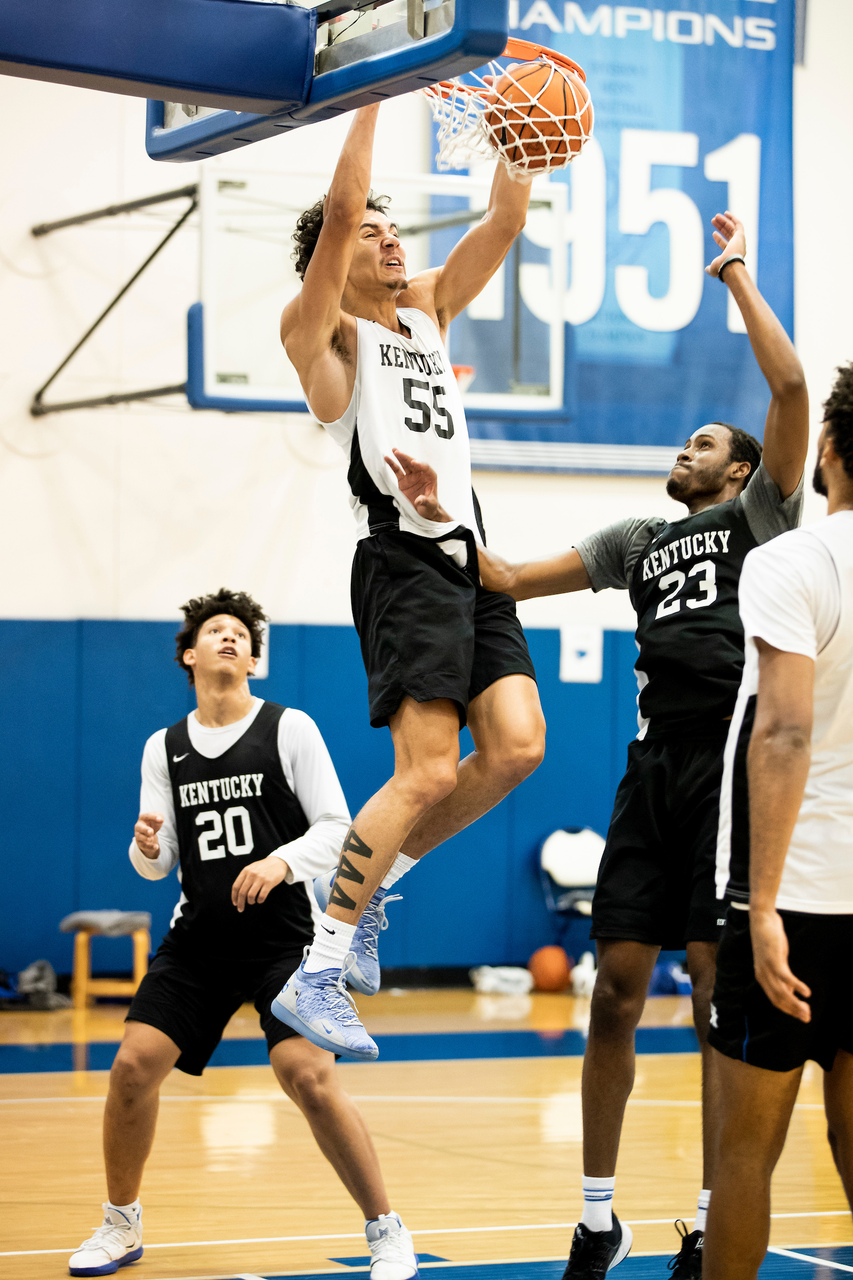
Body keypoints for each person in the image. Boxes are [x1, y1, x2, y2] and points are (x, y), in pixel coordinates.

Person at [474, 214, 809, 1277]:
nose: (683, 449)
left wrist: (735, 275)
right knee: (615, 984)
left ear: (742, 467)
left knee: (710, 987)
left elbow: (791, 388)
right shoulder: (635, 540)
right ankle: (595, 1216)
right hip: (651, 765)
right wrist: (433, 504)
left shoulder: (763, 515)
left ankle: (710, 1217)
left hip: (729, 763)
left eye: (702, 441)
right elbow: (507, 579)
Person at [272, 103, 546, 1062]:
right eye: (372, 234)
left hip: (469, 552)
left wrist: (526, 136)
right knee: (425, 770)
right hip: (401, 557)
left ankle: (375, 882)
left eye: (397, 231)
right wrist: (374, 91)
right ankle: (317, 968)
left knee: (515, 748)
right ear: (334, 256)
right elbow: (343, 209)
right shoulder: (322, 334)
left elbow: (504, 219)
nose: (390, 240)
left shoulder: (425, 309)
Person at [68, 589, 418, 1280]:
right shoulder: (163, 747)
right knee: (132, 1067)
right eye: (215, 631)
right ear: (188, 655)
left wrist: (280, 861)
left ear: (254, 658)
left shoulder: (289, 728)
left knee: (307, 1075)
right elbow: (157, 865)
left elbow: (339, 830)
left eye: (241, 634)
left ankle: (387, 1231)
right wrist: (145, 846)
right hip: (198, 940)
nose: (229, 639)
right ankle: (120, 1225)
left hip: (283, 939)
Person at [704, 369, 853, 1280]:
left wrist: (758, 907)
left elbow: (786, 730)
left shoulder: (791, 560)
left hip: (795, 896)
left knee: (743, 1159)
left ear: (828, 451)